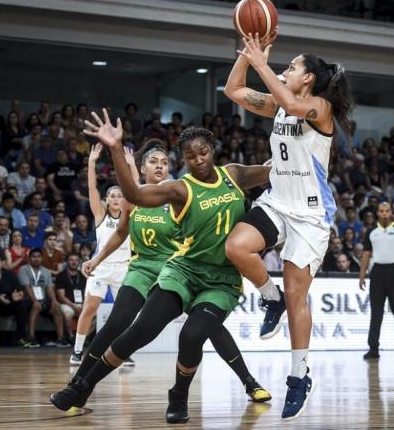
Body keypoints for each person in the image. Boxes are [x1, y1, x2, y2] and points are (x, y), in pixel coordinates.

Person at [50, 115, 271, 424]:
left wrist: (301, 144)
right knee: (136, 328)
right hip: (179, 270)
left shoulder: (233, 175)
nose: (198, 160)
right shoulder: (178, 189)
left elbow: (273, 170)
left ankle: (192, 393)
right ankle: (80, 387)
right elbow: (134, 196)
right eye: (190, 156)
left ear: (213, 150)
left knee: (196, 334)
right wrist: (115, 149)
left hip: (220, 279)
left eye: (203, 152)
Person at [223, 30, 354, 419]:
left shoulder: (319, 108)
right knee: (236, 248)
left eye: (292, 67)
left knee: (299, 295)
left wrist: (263, 64)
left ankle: (299, 376)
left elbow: (293, 106)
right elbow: (233, 90)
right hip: (279, 201)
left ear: (308, 78)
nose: (285, 70)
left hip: (311, 216)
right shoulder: (281, 104)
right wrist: (249, 56)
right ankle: (269, 296)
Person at [71, 143, 133, 365]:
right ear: (108, 200)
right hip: (101, 268)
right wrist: (91, 162)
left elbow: (136, 187)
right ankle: (77, 350)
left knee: (124, 314)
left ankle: (122, 352)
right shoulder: (100, 216)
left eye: (119, 195)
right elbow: (92, 190)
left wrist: (131, 165)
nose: (116, 199)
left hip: (124, 268)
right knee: (89, 308)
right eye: (112, 196)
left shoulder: (130, 216)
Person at [359, 202, 394, 360]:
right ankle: (373, 348)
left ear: (391, 213)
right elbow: (366, 255)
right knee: (376, 314)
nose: (384, 214)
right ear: (377, 213)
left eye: (387, 211)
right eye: (381, 211)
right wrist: (362, 275)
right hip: (377, 273)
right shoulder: (371, 232)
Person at [18, 248, 68, 347]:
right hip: (28, 300)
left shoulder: (45, 271)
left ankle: (60, 338)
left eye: (38, 257)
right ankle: (31, 337)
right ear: (29, 258)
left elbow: (49, 288)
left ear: (42, 258)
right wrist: (35, 301)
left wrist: (54, 300)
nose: (36, 259)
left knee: (56, 307)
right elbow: (27, 287)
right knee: (36, 306)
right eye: (34, 257)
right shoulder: (24, 269)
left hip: (43, 300)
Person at [55, 253, 86, 342]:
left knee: (95, 314)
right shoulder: (61, 276)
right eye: (71, 260)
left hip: (81, 302)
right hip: (67, 303)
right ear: (67, 262)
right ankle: (71, 337)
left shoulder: (83, 276)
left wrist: (84, 306)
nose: (74, 262)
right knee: (68, 313)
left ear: (79, 262)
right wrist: (74, 307)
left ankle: (81, 338)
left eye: (76, 260)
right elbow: (61, 297)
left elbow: (86, 294)